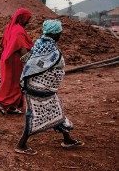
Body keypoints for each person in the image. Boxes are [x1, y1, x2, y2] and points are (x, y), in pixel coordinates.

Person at [15, 19, 84, 155]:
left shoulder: (40, 43)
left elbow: (32, 63)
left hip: (40, 87)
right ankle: (21, 145)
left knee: (56, 110)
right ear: (55, 34)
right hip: (39, 88)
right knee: (36, 115)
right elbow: (38, 65)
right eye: (59, 33)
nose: (60, 35)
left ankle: (67, 139)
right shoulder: (50, 49)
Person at [0, 8, 33, 115]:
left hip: (6, 59)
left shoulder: (9, 27)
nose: (28, 22)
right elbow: (22, 48)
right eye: (27, 19)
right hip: (14, 61)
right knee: (14, 84)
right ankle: (1, 102)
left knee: (8, 82)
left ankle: (12, 106)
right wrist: (29, 63)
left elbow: (2, 44)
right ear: (22, 18)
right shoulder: (19, 30)